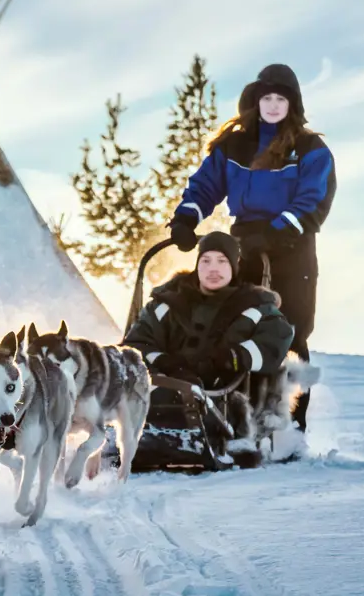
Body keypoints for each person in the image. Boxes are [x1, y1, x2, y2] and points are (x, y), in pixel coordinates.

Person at [165, 63, 335, 431]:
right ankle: (228, 418)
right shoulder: (234, 145)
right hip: (243, 244)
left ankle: (290, 427)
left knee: (289, 329)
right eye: (266, 98)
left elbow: (313, 200)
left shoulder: (309, 148)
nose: (273, 105)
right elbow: (205, 185)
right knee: (230, 325)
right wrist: (185, 220)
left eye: (280, 98)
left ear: (293, 104)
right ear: (254, 101)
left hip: (293, 247)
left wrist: (275, 233)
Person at [124, 231, 294, 431]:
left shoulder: (255, 305)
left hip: (224, 398)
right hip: (161, 387)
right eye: (206, 261)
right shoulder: (166, 303)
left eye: (222, 261)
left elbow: (276, 338)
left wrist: (230, 358)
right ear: (197, 265)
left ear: (234, 265)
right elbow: (136, 343)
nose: (213, 269)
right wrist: (168, 365)